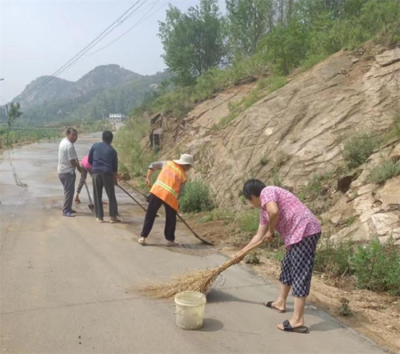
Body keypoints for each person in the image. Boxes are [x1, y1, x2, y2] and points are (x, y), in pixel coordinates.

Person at [234, 179, 321, 334]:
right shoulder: (263, 211)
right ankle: (280, 302)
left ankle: (298, 319)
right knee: (287, 266)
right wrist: (241, 253)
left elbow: (274, 212)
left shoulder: (267, 191)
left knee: (300, 273)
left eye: (248, 200)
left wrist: (271, 231)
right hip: (295, 235)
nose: (250, 203)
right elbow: (258, 236)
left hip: (305, 230)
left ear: (253, 196)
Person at [138, 154, 194, 246]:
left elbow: (152, 165)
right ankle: (170, 240)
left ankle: (143, 237)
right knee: (171, 218)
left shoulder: (168, 163)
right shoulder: (183, 176)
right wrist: (176, 204)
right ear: (186, 165)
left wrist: (148, 178)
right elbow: (180, 192)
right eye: (189, 167)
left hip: (157, 192)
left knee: (150, 214)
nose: (189, 169)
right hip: (170, 197)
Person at [88, 131, 120, 223]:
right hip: (107, 173)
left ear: (102, 138)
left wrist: (96, 167)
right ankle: (113, 217)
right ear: (111, 140)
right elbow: (114, 168)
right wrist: (115, 180)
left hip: (96, 173)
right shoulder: (113, 151)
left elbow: (90, 160)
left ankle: (99, 217)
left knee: (97, 195)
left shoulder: (95, 146)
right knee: (111, 195)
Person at [57, 128, 81, 217]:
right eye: (73, 135)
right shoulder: (69, 145)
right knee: (69, 192)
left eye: (76, 135)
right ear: (68, 134)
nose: (75, 137)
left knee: (68, 191)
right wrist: (78, 167)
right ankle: (66, 210)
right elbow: (72, 161)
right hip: (67, 172)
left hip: (61, 171)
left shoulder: (64, 141)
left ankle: (68, 208)